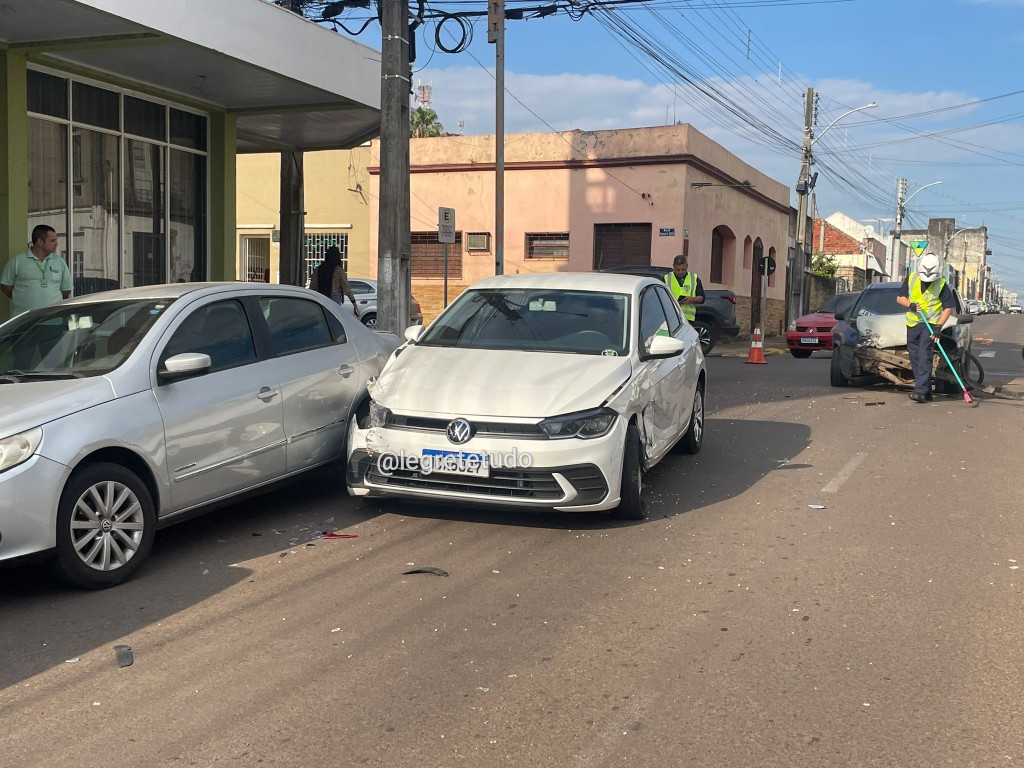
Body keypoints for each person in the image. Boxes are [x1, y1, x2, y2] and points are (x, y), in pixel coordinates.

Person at [895, 252, 956, 403]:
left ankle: (921, 391)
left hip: (930, 325)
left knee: (924, 355)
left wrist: (938, 327)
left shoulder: (941, 284)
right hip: (913, 324)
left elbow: (948, 308)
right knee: (915, 357)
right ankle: (926, 389)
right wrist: (910, 305)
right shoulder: (911, 278)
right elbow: (899, 297)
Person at [1, 225, 73, 318]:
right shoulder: (17, 261)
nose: (56, 243)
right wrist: (21, 298)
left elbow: (66, 291)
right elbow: (5, 287)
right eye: (52, 240)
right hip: (23, 320)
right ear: (40, 242)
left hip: (52, 319)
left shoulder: (60, 262)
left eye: (56, 240)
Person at [311, 246, 359, 318]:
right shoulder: (339, 270)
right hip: (335, 299)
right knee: (334, 321)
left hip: (320, 298)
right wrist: (354, 304)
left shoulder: (319, 269)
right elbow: (347, 289)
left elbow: (312, 287)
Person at [663, 254, 705, 321]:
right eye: (678, 269)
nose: (680, 272)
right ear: (673, 266)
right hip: (671, 319)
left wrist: (691, 299)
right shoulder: (666, 278)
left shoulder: (694, 278)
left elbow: (702, 298)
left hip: (688, 320)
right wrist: (676, 302)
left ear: (687, 266)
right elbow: (661, 298)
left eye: (683, 269)